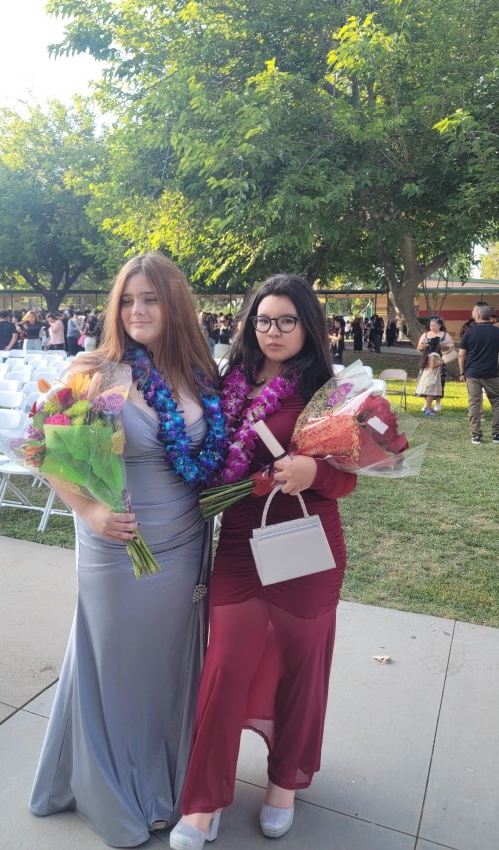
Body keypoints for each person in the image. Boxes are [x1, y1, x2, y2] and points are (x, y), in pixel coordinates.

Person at [29, 253, 225, 847]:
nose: (137, 310)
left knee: (167, 665)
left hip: (186, 543)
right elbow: (43, 451)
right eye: (128, 300)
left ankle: (168, 781)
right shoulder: (96, 370)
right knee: (115, 664)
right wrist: (89, 509)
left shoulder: (202, 375)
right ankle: (112, 791)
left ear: (175, 306)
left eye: (151, 299)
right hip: (119, 545)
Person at [171, 275, 357, 849]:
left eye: (285, 321)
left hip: (305, 543)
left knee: (303, 668)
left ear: (308, 326)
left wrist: (315, 473)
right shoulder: (230, 382)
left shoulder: (331, 389)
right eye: (262, 320)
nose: (272, 332)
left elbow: (348, 478)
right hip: (240, 545)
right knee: (224, 666)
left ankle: (284, 783)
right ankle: (203, 801)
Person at [458, 304, 499, 445]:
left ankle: (476, 435)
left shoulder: (469, 332)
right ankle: (498, 434)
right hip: (491, 373)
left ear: (478, 315)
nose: (471, 312)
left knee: (474, 402)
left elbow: (461, 355)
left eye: (473, 310)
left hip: (472, 374)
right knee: (496, 402)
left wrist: (462, 372)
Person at [416, 317, 454, 413]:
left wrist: (444, 346)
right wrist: (421, 346)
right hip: (426, 361)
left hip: (439, 360)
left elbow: (452, 348)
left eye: (434, 325)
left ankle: (437, 402)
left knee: (439, 382)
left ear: (440, 325)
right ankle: (427, 403)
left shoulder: (445, 335)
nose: (432, 327)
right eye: (431, 325)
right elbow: (419, 348)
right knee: (425, 382)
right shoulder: (425, 335)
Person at [415, 340, 443, 415]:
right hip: (431, 376)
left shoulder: (429, 354)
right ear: (437, 346)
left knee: (429, 392)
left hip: (428, 375)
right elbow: (432, 366)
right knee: (431, 393)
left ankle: (428, 408)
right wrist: (441, 363)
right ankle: (428, 409)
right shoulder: (434, 355)